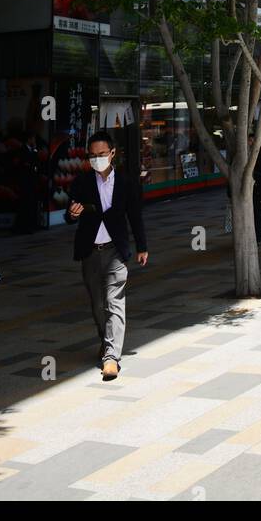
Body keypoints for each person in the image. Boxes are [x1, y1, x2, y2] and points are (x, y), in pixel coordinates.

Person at [66, 132, 148, 382]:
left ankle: (111, 357)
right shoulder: (81, 182)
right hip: (90, 251)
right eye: (92, 156)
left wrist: (142, 246)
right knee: (97, 305)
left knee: (115, 303)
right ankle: (105, 340)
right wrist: (73, 214)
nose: (97, 159)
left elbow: (135, 215)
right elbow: (69, 215)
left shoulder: (126, 181)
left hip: (115, 249)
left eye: (101, 155)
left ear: (112, 153)